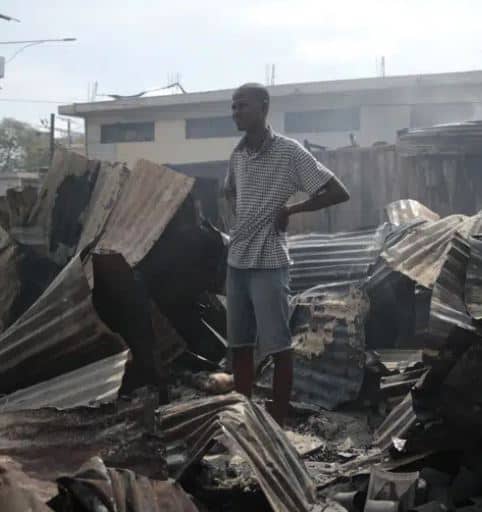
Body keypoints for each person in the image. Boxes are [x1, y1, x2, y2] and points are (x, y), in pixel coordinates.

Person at [224, 83, 350, 425]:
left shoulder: (289, 152)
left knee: (278, 347)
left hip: (269, 263)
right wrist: (239, 220)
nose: (236, 113)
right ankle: (245, 422)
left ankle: (277, 425)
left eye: (242, 106)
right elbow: (228, 190)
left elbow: (337, 191)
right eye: (233, 107)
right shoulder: (237, 155)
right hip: (236, 262)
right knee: (239, 347)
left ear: (264, 107)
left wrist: (291, 210)